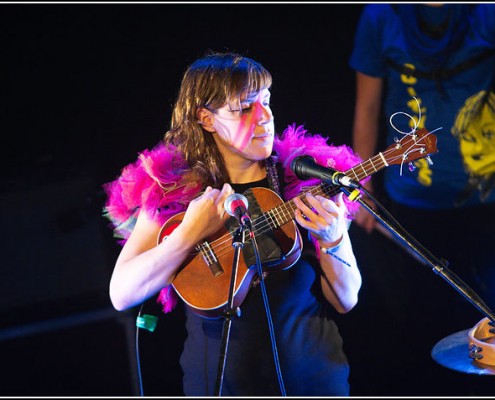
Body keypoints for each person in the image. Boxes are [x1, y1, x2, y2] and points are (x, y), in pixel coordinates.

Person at [102, 51, 364, 396]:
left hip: (315, 380)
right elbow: (122, 294)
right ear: (206, 119)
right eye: (244, 107)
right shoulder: (176, 193)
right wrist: (187, 235)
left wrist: (333, 239)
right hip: (220, 384)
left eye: (267, 102)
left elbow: (347, 299)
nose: (264, 117)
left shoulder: (300, 181)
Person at [345, 3, 495, 396]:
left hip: (487, 199)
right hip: (413, 202)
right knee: (431, 329)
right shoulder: (381, 16)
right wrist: (361, 186)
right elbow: (369, 105)